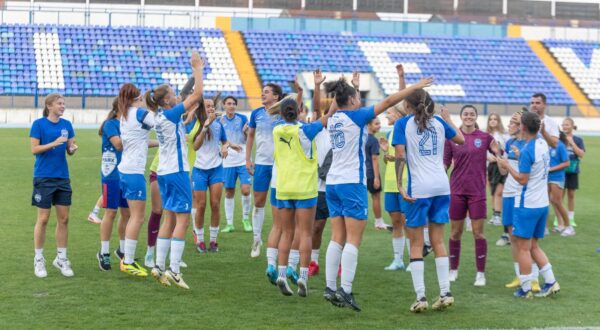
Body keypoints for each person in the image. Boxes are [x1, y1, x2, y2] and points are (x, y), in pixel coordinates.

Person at [324, 70, 433, 312]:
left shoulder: (331, 118)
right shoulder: (356, 116)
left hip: (332, 183)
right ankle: (346, 290)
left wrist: (345, 86)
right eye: (357, 97)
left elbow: (336, 104)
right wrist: (416, 86)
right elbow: (389, 101)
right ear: (352, 101)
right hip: (351, 184)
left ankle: (330, 287)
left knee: (336, 237)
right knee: (353, 239)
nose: (360, 101)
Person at [392, 88, 464, 313]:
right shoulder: (440, 124)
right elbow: (461, 139)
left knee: (415, 244)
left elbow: (401, 156)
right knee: (438, 241)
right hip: (442, 186)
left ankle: (421, 297)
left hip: (419, 188)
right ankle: (445, 292)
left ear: (408, 106)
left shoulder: (403, 124)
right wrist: (448, 119)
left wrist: (399, 184)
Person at [146, 51, 204, 289]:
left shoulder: (161, 116)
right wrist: (197, 68)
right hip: (178, 171)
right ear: (167, 101)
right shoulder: (170, 114)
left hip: (164, 172)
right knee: (182, 219)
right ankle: (175, 269)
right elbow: (198, 94)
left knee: (169, 218)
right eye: (172, 93)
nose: (177, 95)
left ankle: (159, 266)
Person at [272, 95, 336, 297]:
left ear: (282, 114)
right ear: (299, 111)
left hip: (284, 186)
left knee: (287, 232)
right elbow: (328, 115)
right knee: (306, 233)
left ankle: (281, 274)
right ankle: (303, 276)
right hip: (305, 188)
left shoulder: (277, 130)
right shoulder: (306, 131)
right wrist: (339, 95)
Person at [497, 111, 560, 298]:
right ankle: (551, 282)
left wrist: (508, 165)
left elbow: (522, 179)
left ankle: (525, 289)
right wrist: (518, 155)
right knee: (534, 246)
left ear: (523, 127)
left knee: (523, 248)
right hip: (542, 203)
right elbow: (534, 164)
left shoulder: (527, 150)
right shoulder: (541, 143)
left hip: (527, 204)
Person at [444, 105, 497, 287]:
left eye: (472, 114)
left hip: (477, 192)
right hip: (457, 191)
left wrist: (501, 152)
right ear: (460, 117)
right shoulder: (451, 138)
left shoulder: (484, 137)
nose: (468, 117)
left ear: (476, 117)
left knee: (478, 233)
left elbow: (499, 152)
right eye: (465, 114)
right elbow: (444, 164)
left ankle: (480, 274)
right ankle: (453, 269)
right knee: (455, 232)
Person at [30, 93, 78, 278]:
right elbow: (34, 149)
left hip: (62, 178)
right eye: (59, 103)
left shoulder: (67, 125)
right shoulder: (39, 124)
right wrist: (53, 143)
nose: (63, 106)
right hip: (43, 177)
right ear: (49, 106)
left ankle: (61, 258)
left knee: (64, 219)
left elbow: (69, 149)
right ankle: (39, 258)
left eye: (64, 103)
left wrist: (72, 148)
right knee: (42, 219)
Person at [117, 83, 158, 277]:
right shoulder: (140, 113)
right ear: (136, 97)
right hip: (133, 172)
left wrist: (160, 143)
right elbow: (162, 123)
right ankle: (128, 261)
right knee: (138, 217)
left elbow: (140, 141)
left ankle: (128, 258)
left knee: (132, 216)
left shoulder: (125, 116)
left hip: (126, 171)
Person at [192, 96, 242, 253]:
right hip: (199, 170)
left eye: (212, 106)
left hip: (216, 169)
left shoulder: (219, 126)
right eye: (207, 106)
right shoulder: (196, 124)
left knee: (215, 204)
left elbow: (224, 141)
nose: (211, 109)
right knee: (200, 206)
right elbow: (195, 146)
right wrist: (206, 126)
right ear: (202, 109)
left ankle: (213, 241)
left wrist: (226, 147)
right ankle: (200, 240)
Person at [246, 83, 284, 259]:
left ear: (276, 97)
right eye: (262, 91)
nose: (262, 94)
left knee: (280, 205)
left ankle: (282, 238)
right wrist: (247, 158)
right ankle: (256, 239)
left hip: (280, 165)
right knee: (259, 202)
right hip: (261, 163)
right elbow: (250, 135)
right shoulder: (256, 113)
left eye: (267, 92)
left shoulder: (283, 113)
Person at [378, 64, 409, 271]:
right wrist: (387, 156)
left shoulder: (406, 127)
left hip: (406, 182)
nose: (386, 115)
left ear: (398, 114)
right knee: (396, 221)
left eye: (389, 112)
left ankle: (414, 257)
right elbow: (393, 159)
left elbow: (403, 99)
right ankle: (398, 259)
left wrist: (401, 78)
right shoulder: (390, 134)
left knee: (408, 222)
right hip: (391, 182)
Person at [97, 98, 130, 271]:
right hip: (111, 174)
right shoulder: (110, 124)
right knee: (110, 212)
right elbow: (118, 145)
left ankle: (122, 250)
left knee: (127, 213)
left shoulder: (128, 125)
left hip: (127, 174)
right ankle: (104, 252)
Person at [309, 69, 331, 276]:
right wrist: (317, 86)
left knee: (344, 228)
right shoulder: (322, 128)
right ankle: (313, 261)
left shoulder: (350, 125)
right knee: (317, 226)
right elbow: (315, 111)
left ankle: (340, 263)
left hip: (343, 185)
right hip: (322, 186)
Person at [220, 96, 252, 233]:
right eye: (229, 103)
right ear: (224, 105)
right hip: (228, 160)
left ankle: (246, 219)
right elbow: (219, 138)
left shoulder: (243, 118)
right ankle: (229, 223)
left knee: (246, 189)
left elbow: (248, 138)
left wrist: (246, 132)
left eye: (234, 103)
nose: (232, 106)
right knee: (229, 191)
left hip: (243, 157)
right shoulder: (220, 120)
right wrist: (225, 146)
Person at [560, 117, 585, 228]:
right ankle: (559, 218)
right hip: (560, 170)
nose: (565, 127)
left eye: (567, 125)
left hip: (573, 170)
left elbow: (581, 154)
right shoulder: (559, 139)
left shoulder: (578, 139)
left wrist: (571, 143)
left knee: (571, 195)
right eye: (563, 125)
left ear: (572, 126)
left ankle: (571, 218)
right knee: (560, 196)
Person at [486, 112, 509, 227]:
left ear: (499, 121)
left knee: (499, 191)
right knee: (493, 191)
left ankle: (497, 215)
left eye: (495, 119)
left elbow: (506, 150)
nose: (493, 121)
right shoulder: (486, 135)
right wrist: (488, 157)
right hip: (490, 166)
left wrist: (500, 157)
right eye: (491, 119)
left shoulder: (504, 135)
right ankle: (495, 214)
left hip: (501, 165)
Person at [548, 132, 573, 236]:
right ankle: (557, 225)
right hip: (546, 177)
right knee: (550, 201)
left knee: (557, 201)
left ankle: (569, 227)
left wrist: (551, 169)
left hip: (557, 177)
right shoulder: (547, 145)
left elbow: (567, 163)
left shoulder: (560, 146)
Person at [365, 117, 387, 229]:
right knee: (376, 197)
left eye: (379, 123)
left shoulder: (363, 138)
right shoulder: (373, 140)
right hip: (371, 173)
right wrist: (376, 177)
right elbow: (374, 159)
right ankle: (378, 222)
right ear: (369, 125)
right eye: (376, 123)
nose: (379, 126)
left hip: (362, 173)